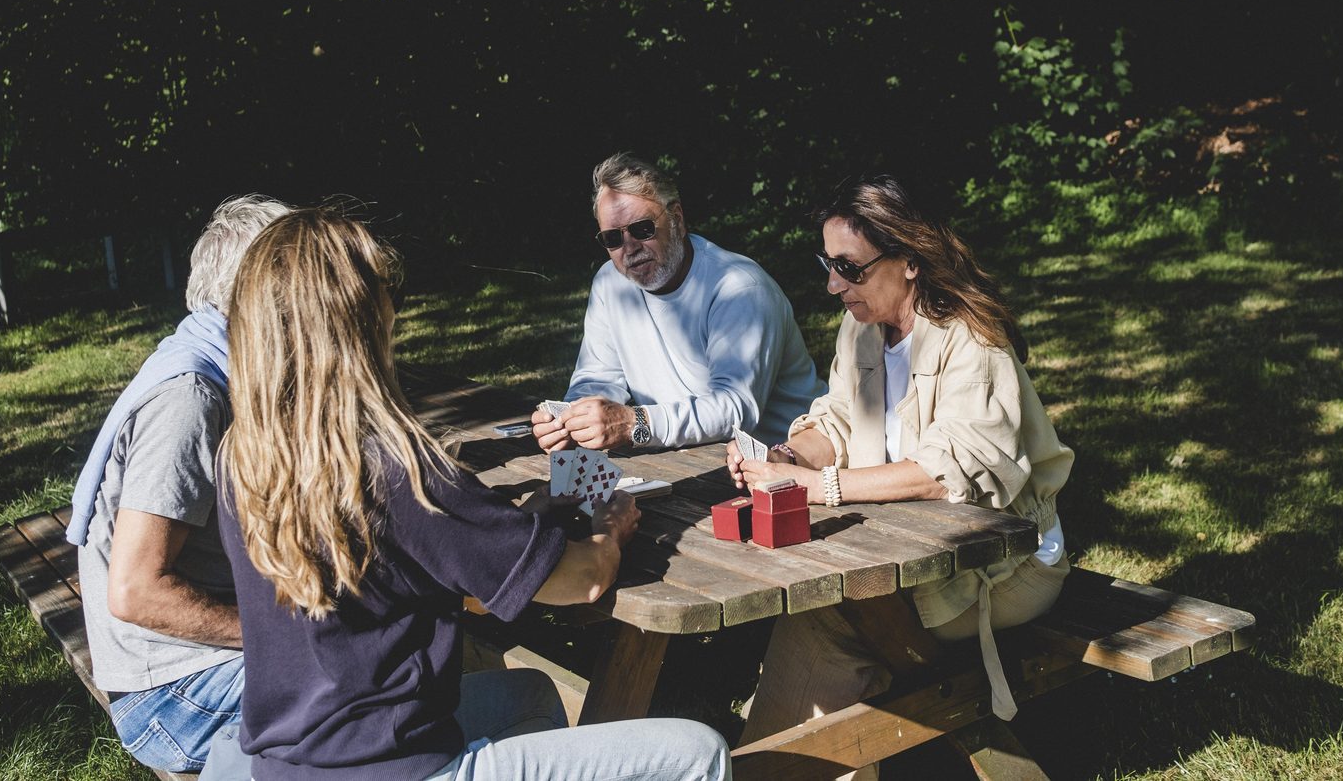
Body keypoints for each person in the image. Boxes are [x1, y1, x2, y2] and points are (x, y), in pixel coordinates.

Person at [214, 206, 731, 780]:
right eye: (389, 300)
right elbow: (581, 581)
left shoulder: (245, 452)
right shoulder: (399, 472)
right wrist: (611, 526)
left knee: (532, 694)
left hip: (290, 762)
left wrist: (516, 522)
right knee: (697, 753)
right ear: (360, 323)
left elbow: (408, 552)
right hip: (398, 769)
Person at [728, 174, 1073, 780]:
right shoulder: (862, 326)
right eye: (827, 264)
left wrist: (825, 488)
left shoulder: (971, 341)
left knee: (832, 612)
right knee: (826, 599)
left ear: (909, 262)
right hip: (913, 545)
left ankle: (772, 767)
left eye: (850, 268)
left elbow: (948, 475)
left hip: (1004, 566)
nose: (834, 285)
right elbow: (836, 420)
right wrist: (788, 458)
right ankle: (784, 761)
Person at [69, 193, 289, 780]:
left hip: (182, 673)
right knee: (373, 665)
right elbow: (137, 592)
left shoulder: (214, 364)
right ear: (257, 293)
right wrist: (272, 632)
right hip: (170, 697)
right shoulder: (190, 398)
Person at [533, 152, 823, 454]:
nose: (630, 248)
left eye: (642, 229)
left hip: (782, 462)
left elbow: (735, 408)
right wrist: (570, 419)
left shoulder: (739, 288)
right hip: (689, 459)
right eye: (612, 239)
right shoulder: (610, 283)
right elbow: (598, 376)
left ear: (677, 219)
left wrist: (637, 423)